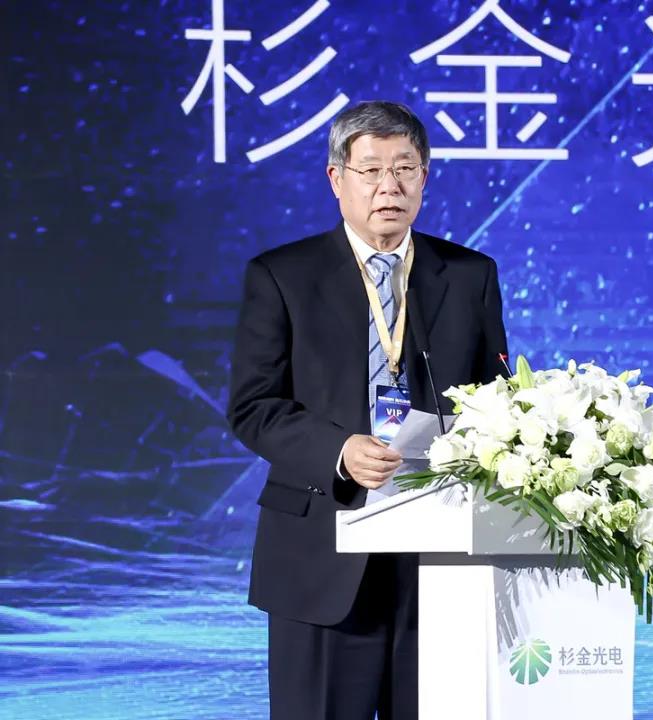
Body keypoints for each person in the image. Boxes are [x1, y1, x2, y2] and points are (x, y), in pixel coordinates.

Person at [227, 101, 508, 719]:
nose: (389, 186)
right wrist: (339, 450)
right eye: (371, 169)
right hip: (322, 548)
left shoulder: (470, 276)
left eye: (405, 169)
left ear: (424, 178)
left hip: (440, 560)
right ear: (337, 178)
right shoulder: (282, 275)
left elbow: (497, 402)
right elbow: (253, 406)